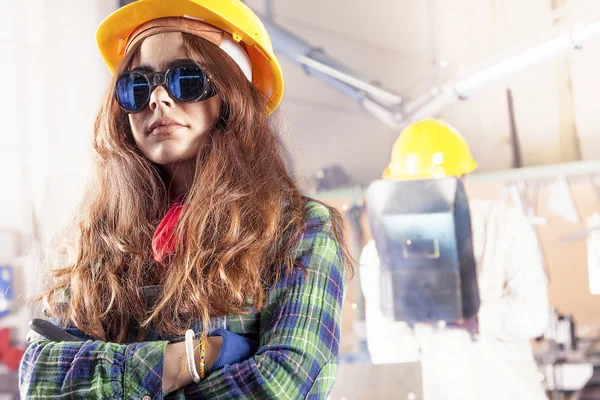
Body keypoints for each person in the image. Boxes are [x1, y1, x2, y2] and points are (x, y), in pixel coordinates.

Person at [19, 1, 353, 399]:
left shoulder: (300, 230)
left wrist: (116, 381)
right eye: (137, 86)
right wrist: (193, 358)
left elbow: (282, 383)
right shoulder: (102, 238)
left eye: (187, 79)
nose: (157, 99)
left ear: (233, 98)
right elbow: (39, 376)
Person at [359, 118, 549, 400]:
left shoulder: (505, 225)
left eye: (435, 187)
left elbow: (534, 317)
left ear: (462, 181)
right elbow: (388, 353)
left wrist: (470, 316)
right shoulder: (378, 255)